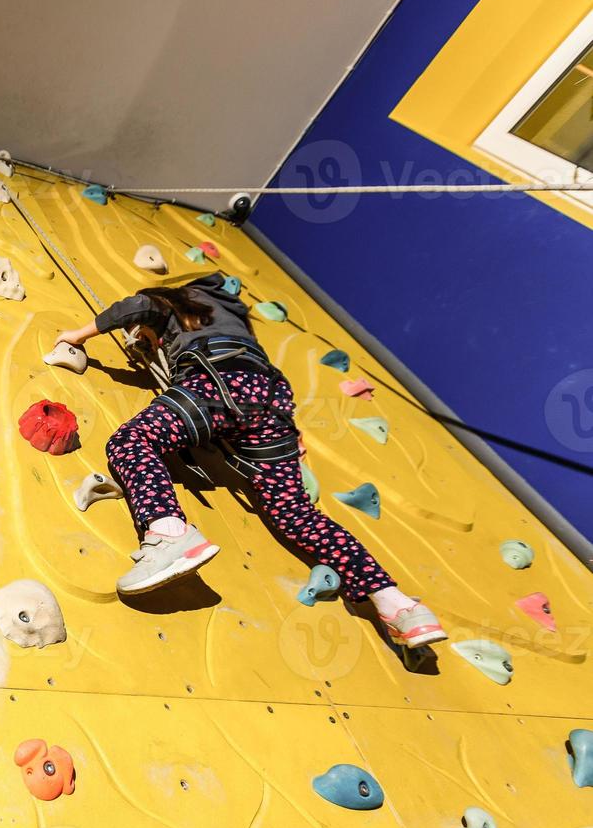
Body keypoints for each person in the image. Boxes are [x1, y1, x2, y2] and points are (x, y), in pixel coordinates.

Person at [53, 272, 447, 648]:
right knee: (296, 515)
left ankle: (168, 532)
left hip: (217, 380)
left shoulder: (174, 302)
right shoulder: (234, 324)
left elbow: (133, 308)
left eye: (147, 339)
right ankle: (398, 605)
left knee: (132, 440)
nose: (148, 343)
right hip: (269, 403)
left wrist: (77, 335)